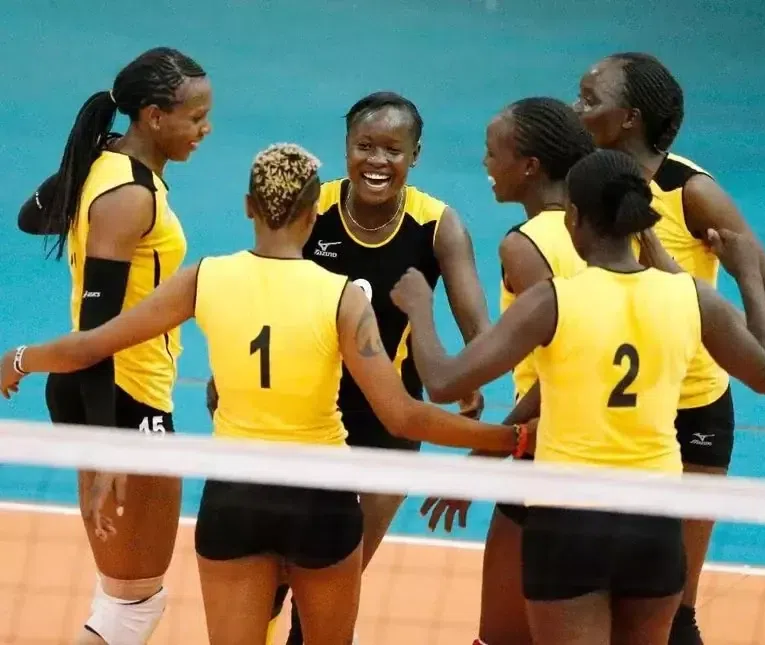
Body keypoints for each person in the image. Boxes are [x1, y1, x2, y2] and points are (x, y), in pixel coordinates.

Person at [0, 143, 532, 645]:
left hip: (236, 500)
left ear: (248, 206)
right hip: (321, 501)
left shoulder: (204, 278)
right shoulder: (343, 298)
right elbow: (403, 417)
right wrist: (509, 437)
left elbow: (89, 346)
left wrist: (20, 359)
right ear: (311, 215)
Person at [389, 148, 765, 645]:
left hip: (569, 524)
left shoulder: (554, 301)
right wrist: (746, 273)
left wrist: (420, 309)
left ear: (574, 217)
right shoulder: (691, 297)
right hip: (655, 523)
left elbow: (445, 381)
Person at [573, 51, 765, 643]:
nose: (578, 108)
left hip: (694, 405)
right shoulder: (585, 184)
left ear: (629, 117)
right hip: (610, 414)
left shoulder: (689, 190)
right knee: (603, 595)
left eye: (590, 98)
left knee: (676, 608)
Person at [207, 91, 493, 644]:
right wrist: (231, 375)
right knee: (267, 586)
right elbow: (262, 288)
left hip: (388, 428)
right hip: (302, 416)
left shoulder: (437, 227)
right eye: (365, 146)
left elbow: (480, 331)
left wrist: (468, 387)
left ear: (416, 154)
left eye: (393, 149)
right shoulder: (314, 209)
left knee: (327, 597)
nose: (377, 161)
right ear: (346, 148)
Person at [14, 47, 212, 645]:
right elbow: (98, 334)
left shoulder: (108, 168)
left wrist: (84, 161)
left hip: (96, 392)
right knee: (134, 605)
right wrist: (107, 454)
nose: (206, 129)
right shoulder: (131, 196)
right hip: (123, 398)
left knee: (125, 595)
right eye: (195, 116)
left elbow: (31, 216)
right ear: (153, 116)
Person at [419, 96, 594, 645]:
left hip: (547, 451)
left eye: (494, 154)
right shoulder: (609, 231)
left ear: (530, 166)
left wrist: (489, 451)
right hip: (623, 454)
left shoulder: (526, 246)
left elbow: (563, 371)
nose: (486, 164)